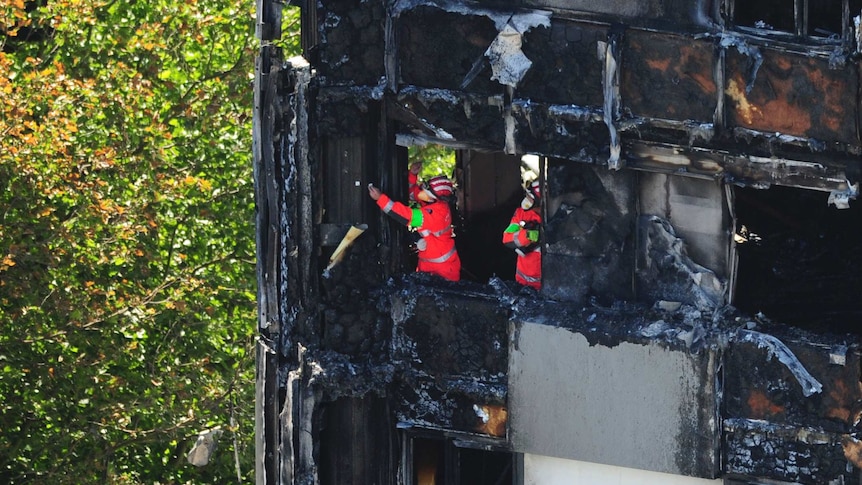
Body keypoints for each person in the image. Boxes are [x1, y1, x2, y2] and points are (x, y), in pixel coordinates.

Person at [368, 162, 461, 282]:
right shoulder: (434, 202)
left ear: (434, 197)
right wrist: (412, 174)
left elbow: (407, 216)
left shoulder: (435, 214)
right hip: (432, 264)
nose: (421, 191)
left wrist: (380, 199)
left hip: (443, 270)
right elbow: (412, 193)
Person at [502, 179, 542, 289]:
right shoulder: (521, 214)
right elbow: (507, 238)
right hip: (522, 281)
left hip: (547, 284)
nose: (527, 201)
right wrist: (527, 235)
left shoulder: (556, 218)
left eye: (531, 198)